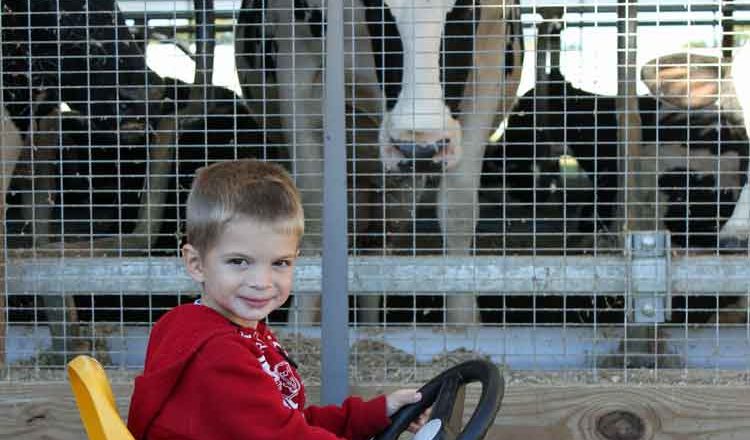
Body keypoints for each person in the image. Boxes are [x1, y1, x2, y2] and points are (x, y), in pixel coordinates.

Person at [127, 159, 428, 440]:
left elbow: (290, 422)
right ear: (196, 264)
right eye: (238, 261)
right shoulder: (217, 354)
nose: (261, 282)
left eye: (279, 263)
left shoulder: (234, 330)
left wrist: (377, 413)